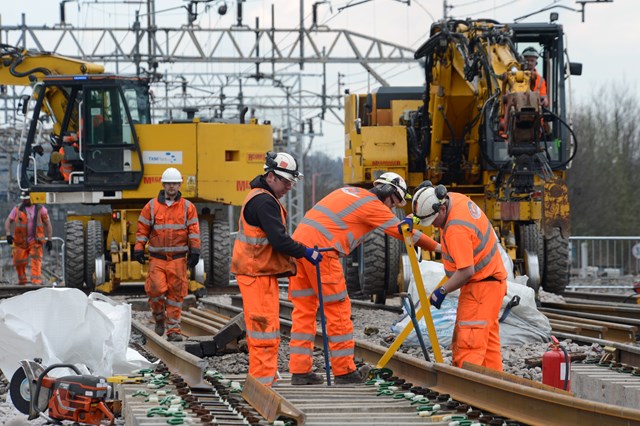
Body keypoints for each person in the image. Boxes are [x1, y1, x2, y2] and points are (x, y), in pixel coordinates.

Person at [289, 172, 440, 384]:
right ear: (388, 192)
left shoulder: (350, 192)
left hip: (299, 251)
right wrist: (438, 247)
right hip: (322, 254)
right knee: (338, 310)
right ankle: (344, 372)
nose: (391, 208)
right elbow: (403, 232)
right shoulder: (372, 204)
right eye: (393, 203)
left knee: (304, 311)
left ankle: (300, 371)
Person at [231, 151, 323, 387]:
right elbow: (280, 240)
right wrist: (306, 252)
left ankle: (264, 378)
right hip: (255, 274)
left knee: (265, 330)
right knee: (264, 331)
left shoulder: (262, 198)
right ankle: (262, 386)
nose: (289, 187)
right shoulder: (264, 202)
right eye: (285, 181)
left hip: (259, 272)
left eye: (292, 182)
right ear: (271, 176)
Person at [411, 182, 507, 371]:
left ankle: (467, 389)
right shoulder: (455, 199)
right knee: (487, 344)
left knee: (469, 342)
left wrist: (442, 290)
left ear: (442, 208)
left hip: (480, 287)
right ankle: (494, 387)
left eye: (433, 221)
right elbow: (445, 245)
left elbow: (466, 271)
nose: (434, 226)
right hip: (492, 284)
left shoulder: (456, 229)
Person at [134, 167, 200, 342]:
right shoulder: (152, 206)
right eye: (169, 183)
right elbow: (143, 229)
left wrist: (195, 250)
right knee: (155, 291)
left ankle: (173, 330)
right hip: (158, 259)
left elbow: (194, 231)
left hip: (178, 259)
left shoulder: (188, 207)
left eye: (175, 183)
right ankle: (159, 318)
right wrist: (139, 247)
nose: (172, 186)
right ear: (163, 184)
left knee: (176, 296)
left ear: (180, 185)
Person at [4, 191, 53, 285]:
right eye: (23, 198)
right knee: (18, 262)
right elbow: (8, 221)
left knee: (36, 260)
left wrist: (49, 239)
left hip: (35, 241)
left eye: (26, 198)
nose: (24, 200)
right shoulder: (17, 209)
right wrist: (8, 234)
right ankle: (22, 282)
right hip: (20, 242)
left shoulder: (40, 209)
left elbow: (48, 224)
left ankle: (36, 282)